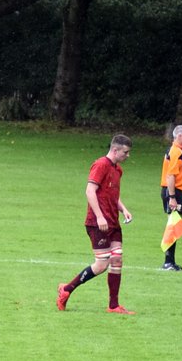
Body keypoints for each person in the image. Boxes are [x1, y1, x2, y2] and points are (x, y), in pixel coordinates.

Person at [58, 134, 135, 314]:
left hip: (113, 223)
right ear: (115, 150)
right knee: (101, 264)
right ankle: (67, 289)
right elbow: (90, 190)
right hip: (97, 223)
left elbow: (112, 195)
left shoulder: (118, 170)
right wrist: (100, 217)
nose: (128, 155)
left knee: (117, 259)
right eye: (125, 152)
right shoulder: (100, 165)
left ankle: (113, 306)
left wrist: (123, 209)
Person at [160, 124, 182, 271]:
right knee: (172, 226)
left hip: (177, 192)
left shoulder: (179, 151)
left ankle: (170, 261)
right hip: (174, 192)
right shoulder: (176, 152)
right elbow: (170, 176)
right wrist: (172, 197)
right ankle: (168, 262)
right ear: (179, 136)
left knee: (174, 225)